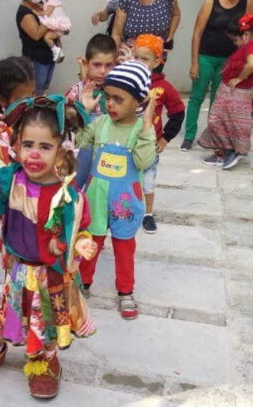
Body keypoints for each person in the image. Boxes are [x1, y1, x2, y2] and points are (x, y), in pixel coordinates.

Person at [0, 97, 98, 400]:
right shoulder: (10, 180)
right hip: (18, 269)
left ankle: (45, 362)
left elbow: (79, 230)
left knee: (47, 320)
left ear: (61, 151)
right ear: (16, 145)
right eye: (28, 144)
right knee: (7, 311)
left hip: (51, 275)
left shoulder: (67, 194)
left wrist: (83, 242)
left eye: (45, 147)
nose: (34, 153)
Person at [76, 60, 157, 320]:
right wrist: (84, 113)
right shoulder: (100, 124)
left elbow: (144, 163)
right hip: (97, 199)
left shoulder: (141, 130)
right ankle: (82, 284)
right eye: (108, 97)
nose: (110, 104)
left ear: (139, 101)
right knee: (90, 244)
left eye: (119, 99)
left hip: (125, 202)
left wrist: (146, 131)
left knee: (124, 248)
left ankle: (125, 292)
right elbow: (77, 141)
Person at [0, 56, 37, 304]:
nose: (29, 103)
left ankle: (31, 286)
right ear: (2, 100)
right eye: (21, 99)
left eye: (32, 95)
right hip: (8, 200)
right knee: (9, 244)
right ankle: (8, 284)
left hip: (34, 197)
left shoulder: (35, 122)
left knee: (31, 245)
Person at [181, 0, 252, 151]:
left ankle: (213, 137)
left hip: (229, 60)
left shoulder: (248, 3)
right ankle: (189, 136)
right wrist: (195, 62)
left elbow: (249, 33)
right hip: (205, 57)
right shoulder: (210, 3)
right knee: (196, 97)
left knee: (218, 100)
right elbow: (197, 34)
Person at [132, 34, 185, 233]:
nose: (139, 62)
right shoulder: (128, 81)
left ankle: (147, 214)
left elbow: (178, 112)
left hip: (149, 145)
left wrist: (165, 138)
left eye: (145, 59)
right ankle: (121, 211)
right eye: (136, 57)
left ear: (157, 61)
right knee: (125, 178)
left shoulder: (163, 87)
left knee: (148, 180)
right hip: (127, 143)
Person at [198, 14, 253, 169]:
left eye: (236, 40)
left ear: (246, 35)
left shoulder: (249, 46)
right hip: (231, 91)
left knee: (220, 121)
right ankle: (224, 153)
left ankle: (230, 151)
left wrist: (240, 78)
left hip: (236, 92)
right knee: (222, 120)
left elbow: (251, 64)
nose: (235, 44)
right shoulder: (246, 46)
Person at [65, 34, 118, 188]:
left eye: (109, 65)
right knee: (75, 187)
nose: (103, 71)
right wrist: (82, 112)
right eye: (97, 65)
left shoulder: (118, 94)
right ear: (86, 64)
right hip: (80, 153)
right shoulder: (75, 93)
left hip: (108, 155)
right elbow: (65, 128)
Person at [17, 0, 56, 95]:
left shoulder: (42, 5)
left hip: (49, 56)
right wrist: (51, 18)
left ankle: (41, 107)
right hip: (36, 59)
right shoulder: (24, 12)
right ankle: (34, 109)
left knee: (42, 89)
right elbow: (36, 34)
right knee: (35, 91)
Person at [111, 0, 181, 50]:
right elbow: (117, 34)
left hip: (156, 55)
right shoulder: (125, 1)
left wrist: (170, 36)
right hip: (130, 55)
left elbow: (176, 15)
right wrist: (113, 58)